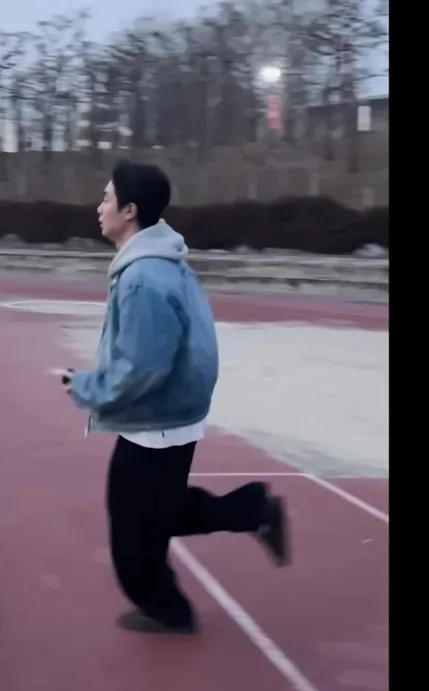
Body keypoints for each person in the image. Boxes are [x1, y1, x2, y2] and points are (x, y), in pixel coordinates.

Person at [60, 160, 288, 636]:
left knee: (133, 528)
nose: (99, 207)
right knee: (159, 509)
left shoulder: (144, 278)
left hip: (157, 418)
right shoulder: (162, 262)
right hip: (172, 412)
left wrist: (86, 388)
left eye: (106, 198)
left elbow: (142, 367)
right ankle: (253, 511)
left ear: (129, 210)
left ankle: (169, 610)